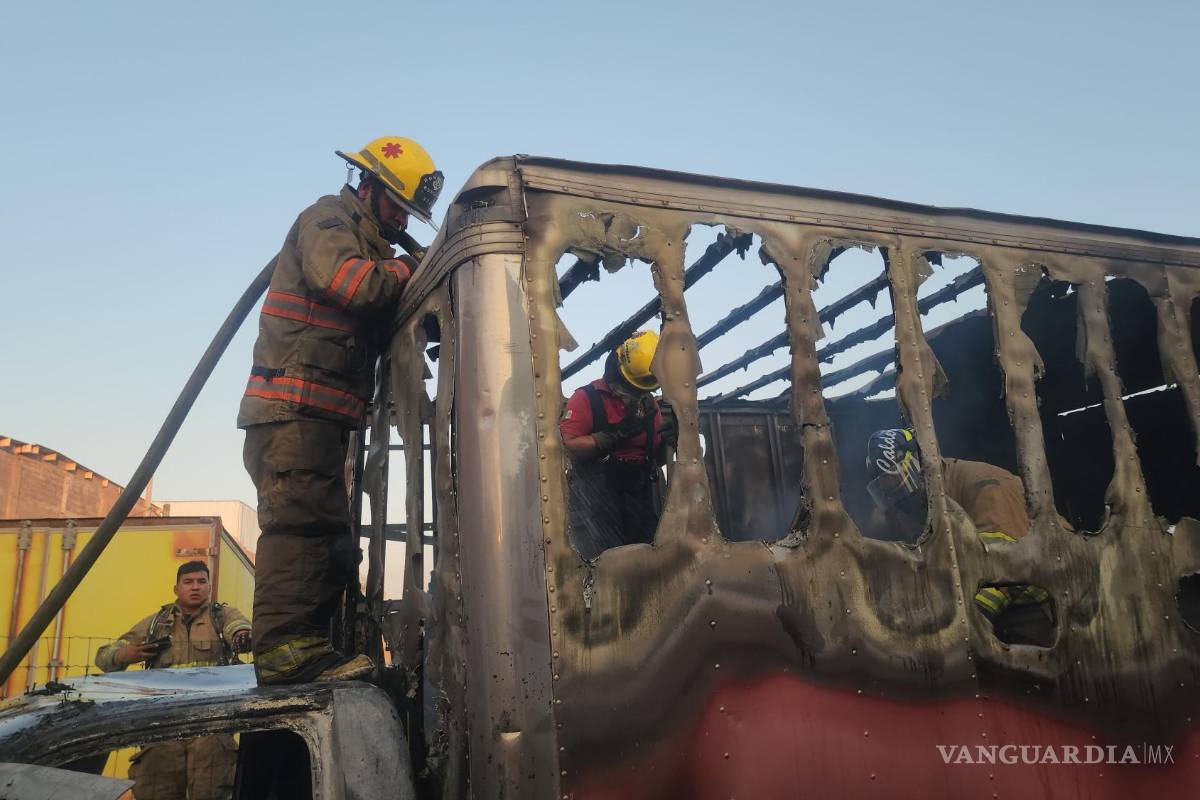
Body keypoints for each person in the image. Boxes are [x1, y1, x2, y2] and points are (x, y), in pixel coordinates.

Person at [238, 136, 443, 685]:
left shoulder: (362, 235)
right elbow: (350, 285)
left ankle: (307, 650)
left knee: (326, 533)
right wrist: (407, 271)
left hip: (317, 418)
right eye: (398, 207)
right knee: (298, 527)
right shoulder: (328, 221)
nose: (402, 220)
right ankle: (284, 652)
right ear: (370, 187)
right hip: (293, 412)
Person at [865, 428, 1053, 644]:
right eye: (889, 490)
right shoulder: (912, 502)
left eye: (901, 485)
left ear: (923, 464)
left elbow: (1004, 568)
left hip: (1040, 604)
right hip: (997, 606)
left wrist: (960, 627)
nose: (900, 499)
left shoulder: (984, 484)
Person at [95, 561, 251, 800]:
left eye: (201, 581)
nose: (195, 587)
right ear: (176, 588)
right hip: (164, 729)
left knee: (212, 792)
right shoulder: (155, 623)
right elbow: (104, 658)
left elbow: (239, 628)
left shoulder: (222, 616)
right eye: (188, 582)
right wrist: (126, 654)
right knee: (157, 792)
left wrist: (242, 636)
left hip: (210, 728)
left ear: (210, 587)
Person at [559, 331, 676, 559]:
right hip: (595, 500)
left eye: (642, 388)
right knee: (604, 564)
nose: (635, 392)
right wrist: (615, 435)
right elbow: (570, 446)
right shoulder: (586, 398)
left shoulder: (648, 404)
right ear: (617, 366)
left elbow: (653, 455)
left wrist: (670, 443)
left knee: (646, 559)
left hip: (638, 494)